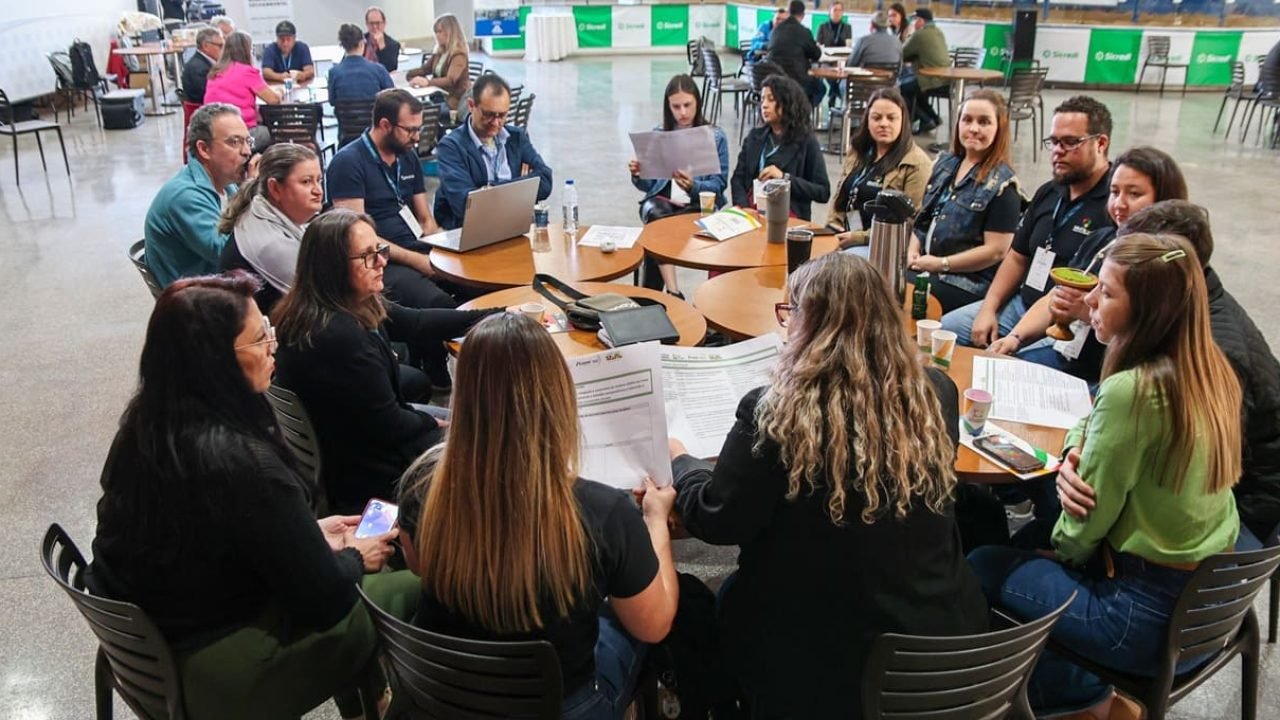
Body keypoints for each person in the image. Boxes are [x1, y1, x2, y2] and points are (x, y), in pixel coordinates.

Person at [84, 273, 417, 720]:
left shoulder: (145, 425)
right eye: (260, 339)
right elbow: (323, 601)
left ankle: (366, 701)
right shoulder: (243, 462)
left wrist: (305, 534)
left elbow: (207, 536)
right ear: (215, 361)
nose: (272, 346)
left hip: (148, 649)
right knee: (408, 584)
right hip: (219, 672)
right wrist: (357, 557)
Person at [670, 252, 987, 716]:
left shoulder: (776, 413)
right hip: (938, 652)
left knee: (717, 601)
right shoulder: (935, 393)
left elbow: (718, 520)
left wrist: (683, 462)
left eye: (790, 313)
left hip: (822, 667)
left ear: (809, 323)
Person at [969, 233, 1243, 719]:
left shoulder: (1132, 392)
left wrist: (1063, 551)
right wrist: (1077, 446)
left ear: (1149, 312)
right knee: (1031, 533)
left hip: (1140, 616)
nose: (1090, 300)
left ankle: (1068, 700)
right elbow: (1091, 415)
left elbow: (1080, 532)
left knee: (981, 563)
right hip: (1206, 609)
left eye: (1108, 293)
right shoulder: (1209, 370)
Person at [412, 312, 679, 719]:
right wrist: (656, 521)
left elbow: (419, 566)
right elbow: (654, 625)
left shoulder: (422, 489)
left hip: (454, 696)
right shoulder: (603, 511)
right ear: (557, 398)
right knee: (661, 602)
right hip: (568, 703)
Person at [272, 210, 494, 514]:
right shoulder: (340, 337)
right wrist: (434, 422)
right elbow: (390, 424)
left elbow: (416, 323)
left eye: (380, 250)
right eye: (367, 256)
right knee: (490, 440)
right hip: (372, 472)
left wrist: (497, 315)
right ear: (332, 267)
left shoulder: (328, 304)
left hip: (356, 443)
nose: (381, 262)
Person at [989, 147, 1189, 384]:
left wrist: (1086, 312)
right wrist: (1015, 337)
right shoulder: (1102, 239)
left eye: (1134, 194)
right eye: (1114, 192)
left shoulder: (1162, 265)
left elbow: (1149, 342)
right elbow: (1057, 296)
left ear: (1163, 199)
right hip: (1066, 353)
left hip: (1108, 375)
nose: (1120, 204)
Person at [942, 96, 1114, 349]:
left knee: (1016, 364)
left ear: (1100, 143)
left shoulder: (1113, 205)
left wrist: (1015, 338)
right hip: (1019, 304)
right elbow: (1017, 257)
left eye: (1069, 142)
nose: (1058, 150)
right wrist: (988, 309)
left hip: (1067, 324)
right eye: (1054, 142)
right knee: (946, 330)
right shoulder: (1049, 192)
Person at [327, 89, 455, 312]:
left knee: (473, 282)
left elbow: (425, 218)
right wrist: (418, 261)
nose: (417, 138)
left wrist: (444, 246)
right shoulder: (348, 163)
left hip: (418, 248)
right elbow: (357, 239)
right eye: (410, 130)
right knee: (438, 304)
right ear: (385, 125)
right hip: (381, 261)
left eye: (419, 129)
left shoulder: (408, 156)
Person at [907, 89, 1022, 313]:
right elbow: (923, 219)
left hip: (966, 283)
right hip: (927, 266)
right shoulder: (944, 164)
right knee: (877, 278)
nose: (973, 128)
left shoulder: (1004, 187)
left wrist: (942, 263)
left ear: (999, 128)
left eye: (984, 122)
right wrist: (912, 250)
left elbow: (996, 252)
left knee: (897, 293)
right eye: (967, 120)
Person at [629, 74, 730, 297]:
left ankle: (652, 296)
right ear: (668, 107)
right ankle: (673, 290)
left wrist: (693, 186)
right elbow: (649, 185)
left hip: (698, 203)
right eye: (676, 107)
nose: (682, 112)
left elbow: (719, 185)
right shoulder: (659, 134)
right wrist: (638, 174)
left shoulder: (715, 136)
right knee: (657, 219)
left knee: (656, 234)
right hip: (663, 202)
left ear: (697, 103)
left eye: (687, 105)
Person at [145, 104, 254, 287]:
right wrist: (255, 192)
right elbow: (230, 255)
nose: (247, 152)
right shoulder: (185, 196)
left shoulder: (225, 185)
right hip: (197, 300)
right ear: (204, 149)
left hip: (218, 282)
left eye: (247, 142)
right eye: (234, 142)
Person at [433, 73, 554, 230]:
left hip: (514, 225)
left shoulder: (516, 137)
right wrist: (522, 187)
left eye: (502, 115)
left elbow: (545, 181)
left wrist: (487, 190)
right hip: (471, 230)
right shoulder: (451, 147)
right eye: (488, 115)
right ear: (471, 106)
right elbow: (464, 204)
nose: (496, 123)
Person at [218, 144, 323, 314]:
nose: (318, 190)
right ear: (275, 188)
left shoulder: (263, 211)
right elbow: (325, 298)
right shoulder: (271, 244)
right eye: (306, 182)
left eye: (319, 180)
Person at [827, 86, 931, 253]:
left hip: (883, 244)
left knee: (839, 266)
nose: (884, 124)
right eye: (876, 118)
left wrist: (859, 237)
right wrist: (833, 225)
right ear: (867, 121)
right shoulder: (857, 151)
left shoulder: (917, 163)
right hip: (844, 233)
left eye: (891, 118)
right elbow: (840, 196)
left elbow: (912, 223)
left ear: (903, 121)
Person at [730, 74, 830, 221]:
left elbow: (822, 192)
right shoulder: (754, 138)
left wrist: (784, 178)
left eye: (771, 99)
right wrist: (744, 207)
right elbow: (737, 179)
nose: (764, 105)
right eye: (762, 99)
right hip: (753, 212)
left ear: (786, 103)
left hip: (787, 217)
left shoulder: (806, 141)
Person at [203, 30, 281, 150]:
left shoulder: (215, 72)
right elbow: (273, 100)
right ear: (247, 51)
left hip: (216, 135)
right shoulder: (247, 72)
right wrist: (280, 92)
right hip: (242, 138)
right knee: (269, 133)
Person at [406, 13, 472, 112]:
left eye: (440, 31)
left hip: (453, 103)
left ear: (450, 32)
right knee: (411, 108)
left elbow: (450, 80)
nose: (437, 35)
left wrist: (427, 82)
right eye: (436, 32)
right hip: (439, 97)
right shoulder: (440, 52)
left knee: (418, 112)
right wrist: (409, 74)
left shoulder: (459, 55)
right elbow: (425, 69)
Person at [899, 8, 949, 134]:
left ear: (921, 21)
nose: (913, 23)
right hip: (945, 80)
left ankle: (926, 120)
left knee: (902, 88)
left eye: (915, 20)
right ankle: (934, 118)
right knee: (915, 89)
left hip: (930, 80)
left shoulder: (920, 34)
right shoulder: (938, 32)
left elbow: (902, 53)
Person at [768, 0, 823, 110]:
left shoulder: (776, 30)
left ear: (788, 12)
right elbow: (816, 55)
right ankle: (804, 113)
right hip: (797, 80)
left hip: (774, 78)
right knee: (820, 88)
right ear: (803, 15)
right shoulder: (804, 32)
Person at [327, 23, 394, 106]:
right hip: (373, 117)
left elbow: (332, 101)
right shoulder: (379, 69)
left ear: (343, 46)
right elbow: (392, 97)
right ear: (362, 43)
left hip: (346, 118)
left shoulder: (334, 73)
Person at [816, 2, 852, 107]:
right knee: (829, 73)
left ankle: (833, 92)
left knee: (841, 73)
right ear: (830, 12)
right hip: (826, 60)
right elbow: (819, 44)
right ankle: (834, 91)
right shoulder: (823, 27)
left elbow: (848, 45)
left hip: (841, 60)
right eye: (835, 10)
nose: (837, 13)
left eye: (840, 10)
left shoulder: (847, 27)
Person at [261, 20, 315, 84]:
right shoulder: (270, 49)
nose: (285, 43)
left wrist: (302, 75)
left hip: (300, 85)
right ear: (277, 39)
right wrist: (280, 77)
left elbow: (310, 71)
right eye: (282, 39)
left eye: (288, 39)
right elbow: (266, 72)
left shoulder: (302, 48)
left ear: (294, 39)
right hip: (277, 86)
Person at [181, 28, 223, 104]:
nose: (223, 49)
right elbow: (208, 96)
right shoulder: (199, 68)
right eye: (220, 46)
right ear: (206, 46)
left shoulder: (201, 63)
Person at [364, 6, 402, 72]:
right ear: (367, 24)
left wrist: (382, 47)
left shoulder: (393, 45)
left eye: (378, 23)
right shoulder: (359, 41)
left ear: (384, 24)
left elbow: (391, 69)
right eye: (371, 23)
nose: (374, 27)